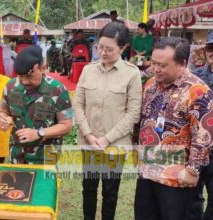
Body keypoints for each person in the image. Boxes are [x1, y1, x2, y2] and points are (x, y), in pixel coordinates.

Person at [135, 37, 213, 220]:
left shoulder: (198, 92)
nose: (156, 69)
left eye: (162, 65)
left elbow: (204, 137)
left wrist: (192, 170)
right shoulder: (150, 86)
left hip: (177, 178)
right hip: (147, 171)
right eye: (154, 62)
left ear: (181, 63)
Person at [73, 22, 142, 220]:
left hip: (115, 145)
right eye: (100, 47)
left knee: (110, 192)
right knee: (88, 188)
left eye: (109, 49)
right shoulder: (88, 70)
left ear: (123, 48)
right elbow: (78, 105)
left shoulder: (131, 73)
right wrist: (88, 135)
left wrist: (106, 139)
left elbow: (133, 113)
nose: (103, 52)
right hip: (90, 143)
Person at [0, 45, 73, 164]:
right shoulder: (10, 87)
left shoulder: (57, 89)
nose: (24, 81)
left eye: (29, 76)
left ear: (42, 68)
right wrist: (4, 119)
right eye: (20, 76)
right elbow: (3, 111)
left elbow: (67, 125)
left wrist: (39, 133)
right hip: (18, 156)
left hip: (46, 158)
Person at [189, 28, 213, 220]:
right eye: (211, 47)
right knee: (192, 195)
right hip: (196, 148)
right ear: (204, 50)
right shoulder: (195, 77)